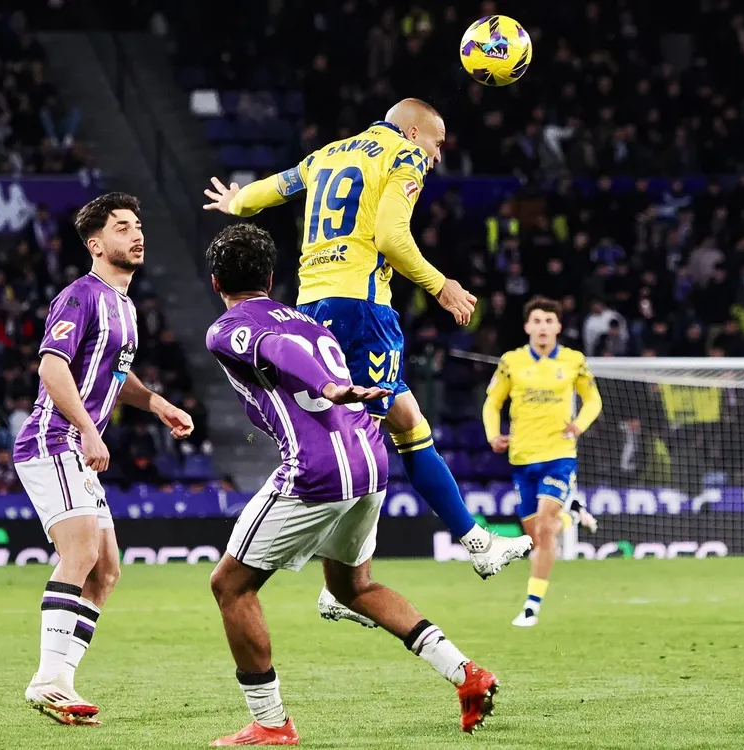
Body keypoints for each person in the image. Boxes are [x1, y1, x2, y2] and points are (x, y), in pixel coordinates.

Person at [202, 98, 532, 602]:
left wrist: (237, 201)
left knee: (401, 419)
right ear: (415, 131)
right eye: (437, 143)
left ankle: (468, 540)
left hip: (311, 308)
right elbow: (392, 237)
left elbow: (270, 192)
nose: (437, 156)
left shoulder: (326, 155)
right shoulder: (403, 155)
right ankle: (350, 581)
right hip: (361, 307)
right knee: (375, 429)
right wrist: (439, 284)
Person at [204, 224, 499, 746]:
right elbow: (289, 344)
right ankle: (467, 675)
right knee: (352, 587)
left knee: (230, 585)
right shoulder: (306, 318)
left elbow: (274, 349)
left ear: (215, 283)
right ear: (272, 278)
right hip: (370, 462)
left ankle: (271, 722)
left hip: (317, 471)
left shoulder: (228, 326)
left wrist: (329, 385)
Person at [12, 193, 194, 724]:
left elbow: (116, 376)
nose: (135, 235)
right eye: (120, 228)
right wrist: (90, 429)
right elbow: (51, 367)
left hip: (78, 443)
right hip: (54, 438)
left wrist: (155, 400)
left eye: (137, 226)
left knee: (106, 570)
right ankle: (48, 680)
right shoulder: (80, 295)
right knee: (83, 553)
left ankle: (61, 684)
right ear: (95, 244)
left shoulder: (128, 307)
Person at [481, 297, 603, 627]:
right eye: (537, 321)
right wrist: (494, 434)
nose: (543, 327)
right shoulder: (511, 362)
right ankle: (574, 515)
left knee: (546, 529)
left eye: (549, 321)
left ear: (559, 327)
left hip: (559, 456)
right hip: (522, 457)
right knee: (536, 536)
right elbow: (492, 403)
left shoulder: (573, 360)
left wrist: (579, 425)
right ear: (527, 327)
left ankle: (532, 605)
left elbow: (593, 399)